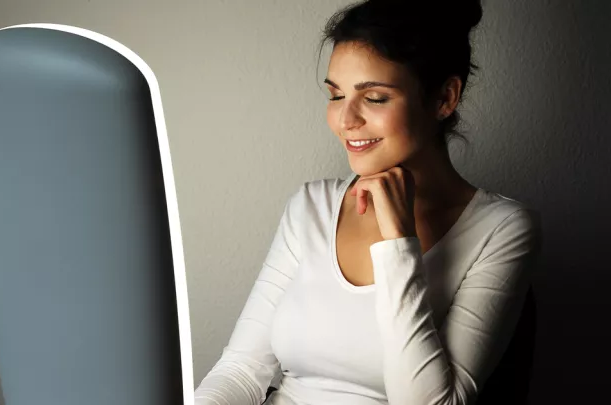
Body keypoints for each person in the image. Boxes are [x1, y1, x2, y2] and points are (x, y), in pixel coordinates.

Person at [194, 0, 543, 404]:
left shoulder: (501, 229)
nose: (345, 120)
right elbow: (240, 371)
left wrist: (398, 243)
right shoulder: (311, 206)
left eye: (375, 97)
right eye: (336, 95)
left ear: (445, 98)